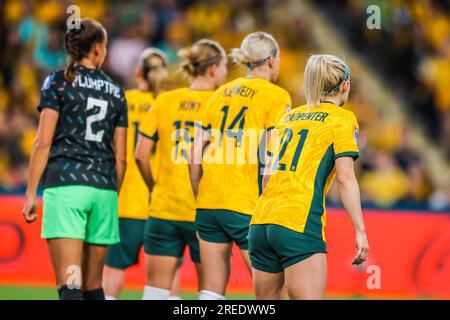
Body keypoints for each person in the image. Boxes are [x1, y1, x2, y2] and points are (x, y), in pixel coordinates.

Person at [21, 19, 127, 300]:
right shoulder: (117, 91)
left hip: (68, 188)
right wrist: (111, 192)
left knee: (70, 283)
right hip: (103, 191)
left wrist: (31, 192)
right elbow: (122, 158)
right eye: (104, 47)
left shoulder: (58, 81)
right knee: (94, 287)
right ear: (96, 49)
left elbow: (43, 143)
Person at [248, 54, 370, 300]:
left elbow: (266, 178)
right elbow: (345, 178)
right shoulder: (342, 119)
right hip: (298, 222)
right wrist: (360, 230)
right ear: (344, 85)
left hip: (262, 222)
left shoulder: (287, 118)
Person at [189, 31, 291, 300]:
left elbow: (193, 152)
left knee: (211, 290)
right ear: (271, 60)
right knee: (270, 292)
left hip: (209, 202)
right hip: (247, 204)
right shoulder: (276, 96)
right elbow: (274, 155)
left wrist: (199, 190)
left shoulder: (220, 92)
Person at [135, 39, 228, 300]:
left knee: (155, 291)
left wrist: (156, 188)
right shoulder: (223, 103)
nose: (225, 72)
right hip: (207, 211)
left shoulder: (166, 100)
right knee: (211, 291)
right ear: (212, 69)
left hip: (165, 208)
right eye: (223, 66)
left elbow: (141, 155)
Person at [102, 48, 182, 300]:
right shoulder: (171, 104)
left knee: (113, 271)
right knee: (168, 279)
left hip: (124, 199)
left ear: (138, 71)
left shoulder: (121, 100)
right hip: (162, 201)